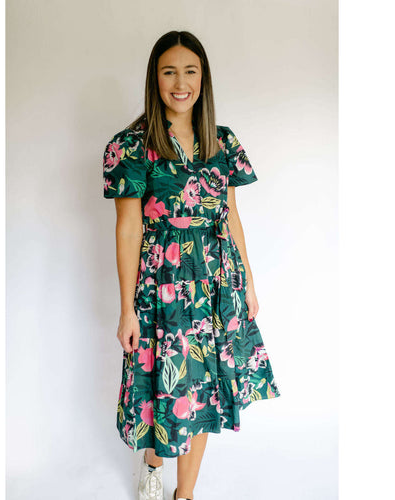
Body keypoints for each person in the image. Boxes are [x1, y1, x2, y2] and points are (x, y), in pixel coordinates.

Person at [102, 30, 281, 500]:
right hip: (162, 286)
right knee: (165, 387)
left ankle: (184, 495)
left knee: (202, 394)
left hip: (218, 283)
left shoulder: (222, 141)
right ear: (154, 79)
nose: (180, 83)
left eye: (190, 71)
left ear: (203, 77)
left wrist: (248, 283)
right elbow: (128, 229)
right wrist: (126, 310)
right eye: (169, 72)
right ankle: (153, 462)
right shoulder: (131, 145)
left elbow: (231, 215)